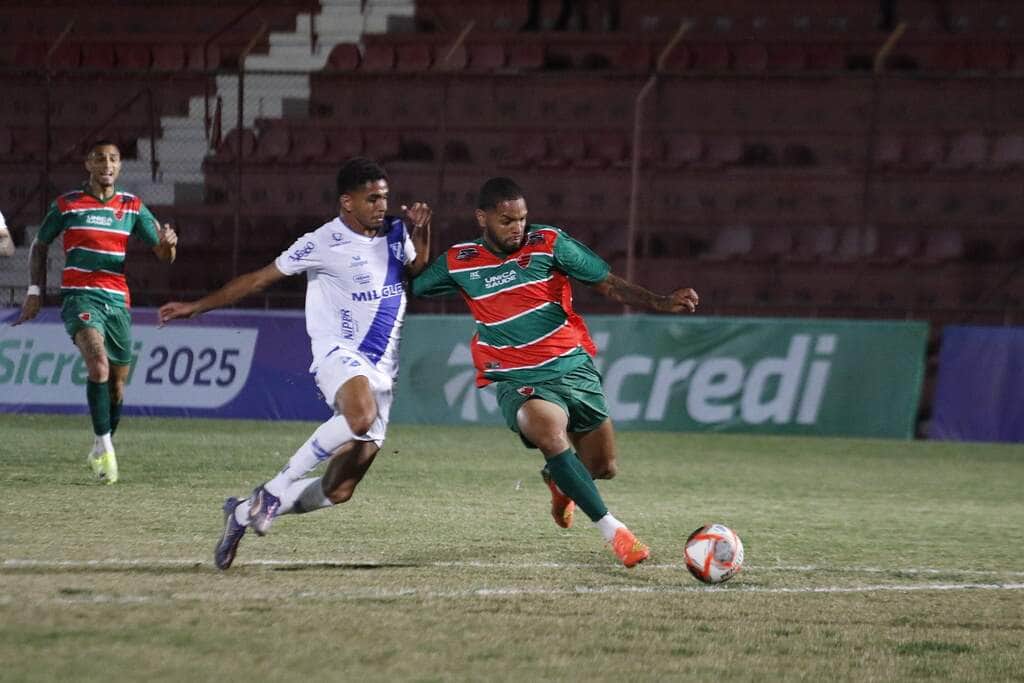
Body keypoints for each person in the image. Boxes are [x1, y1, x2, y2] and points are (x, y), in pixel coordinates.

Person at [158, 157, 431, 571]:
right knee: (359, 416)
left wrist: (422, 229)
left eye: (385, 197)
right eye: (372, 198)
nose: (381, 205)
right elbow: (259, 279)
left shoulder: (396, 230)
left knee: (338, 490)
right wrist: (197, 307)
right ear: (347, 202)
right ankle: (273, 490)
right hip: (339, 353)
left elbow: (417, 267)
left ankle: (242, 512)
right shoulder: (322, 241)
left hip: (382, 368)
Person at [411, 177, 698, 568]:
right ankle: (615, 532)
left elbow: (608, 284)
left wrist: (660, 302)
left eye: (522, 219)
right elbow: (415, 283)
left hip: (572, 368)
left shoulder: (549, 243)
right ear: (482, 218)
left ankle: (557, 478)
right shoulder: (460, 261)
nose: (517, 228)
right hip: (517, 377)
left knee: (603, 467)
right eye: (506, 221)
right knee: (548, 431)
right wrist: (420, 231)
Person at [13, 140, 178, 484]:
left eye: (113, 159)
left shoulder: (132, 206)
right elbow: (39, 245)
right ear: (88, 164)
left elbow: (164, 255)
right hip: (80, 298)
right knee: (99, 366)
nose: (107, 165)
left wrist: (169, 245)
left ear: (119, 167)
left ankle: (100, 445)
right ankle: (106, 449)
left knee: (117, 386)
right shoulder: (68, 205)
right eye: (100, 159)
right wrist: (34, 291)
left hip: (117, 301)